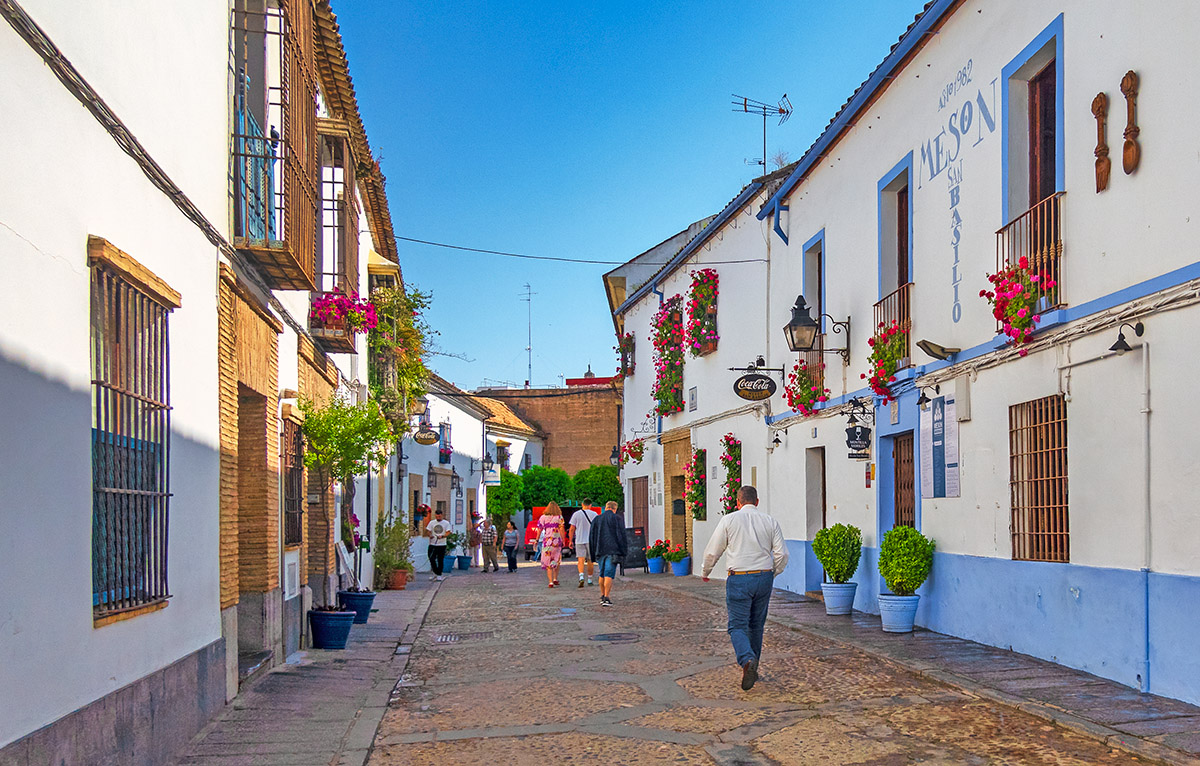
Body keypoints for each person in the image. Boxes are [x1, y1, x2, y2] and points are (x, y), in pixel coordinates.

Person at [701, 485, 788, 691]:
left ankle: (747, 660)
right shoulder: (770, 521)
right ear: (757, 502)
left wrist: (706, 572)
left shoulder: (729, 520)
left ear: (737, 502)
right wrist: (772, 572)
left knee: (737, 625)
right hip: (764, 577)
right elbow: (782, 554)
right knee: (756, 624)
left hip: (739, 578)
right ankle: (752, 665)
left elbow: (713, 551)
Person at [588, 500, 627, 607]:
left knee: (602, 573)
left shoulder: (597, 519)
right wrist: (623, 551)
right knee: (609, 574)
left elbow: (592, 536)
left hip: (599, 550)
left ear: (606, 508)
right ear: (614, 509)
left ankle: (602, 594)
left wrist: (593, 552)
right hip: (613, 550)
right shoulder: (617, 519)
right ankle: (606, 597)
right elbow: (621, 536)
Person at [568, 499, 599, 588]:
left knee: (580, 560)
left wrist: (570, 540)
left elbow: (572, 528)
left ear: (582, 504)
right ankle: (589, 579)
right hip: (591, 540)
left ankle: (581, 577)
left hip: (579, 540)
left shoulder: (576, 514)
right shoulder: (594, 514)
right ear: (590, 505)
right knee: (590, 561)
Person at [537, 502, 566, 587]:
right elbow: (561, 529)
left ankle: (550, 582)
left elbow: (539, 529)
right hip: (556, 541)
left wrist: (537, 539)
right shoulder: (559, 517)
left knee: (548, 560)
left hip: (547, 542)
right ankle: (555, 578)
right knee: (556, 559)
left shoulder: (543, 517)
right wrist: (563, 540)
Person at [425, 508, 452, 581]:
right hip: (432, 544)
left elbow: (448, 532)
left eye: (439, 517)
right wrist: (430, 535)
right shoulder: (432, 523)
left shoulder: (446, 523)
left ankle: (439, 574)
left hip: (442, 544)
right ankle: (435, 572)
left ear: (442, 516)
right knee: (431, 558)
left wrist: (442, 536)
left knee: (440, 560)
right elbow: (428, 531)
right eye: (437, 517)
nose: (438, 518)